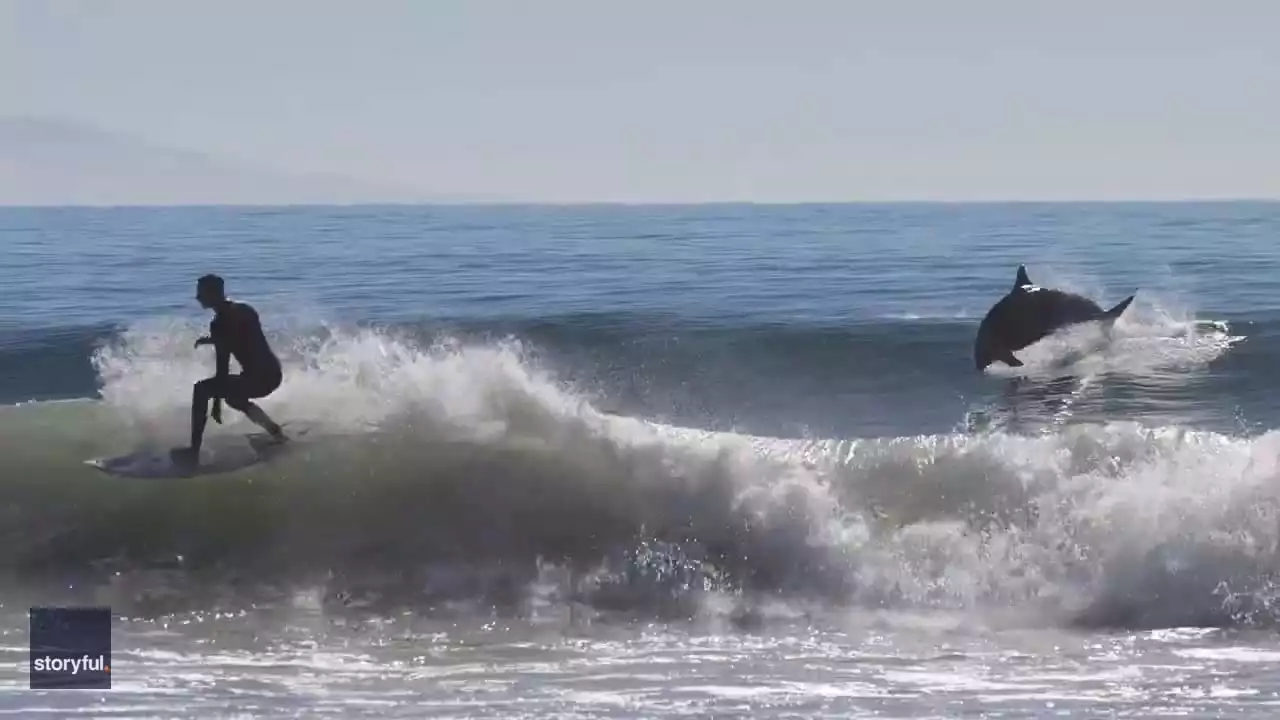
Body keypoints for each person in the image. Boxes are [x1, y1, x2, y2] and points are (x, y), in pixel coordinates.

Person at [170, 274, 286, 465]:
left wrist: (215, 401)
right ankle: (275, 432)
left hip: (259, 380)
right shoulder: (245, 309)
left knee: (201, 389)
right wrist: (213, 340)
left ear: (213, 294)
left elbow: (223, 365)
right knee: (234, 397)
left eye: (201, 293)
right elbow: (244, 339)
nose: (198, 297)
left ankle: (193, 452)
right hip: (273, 373)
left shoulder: (220, 324)